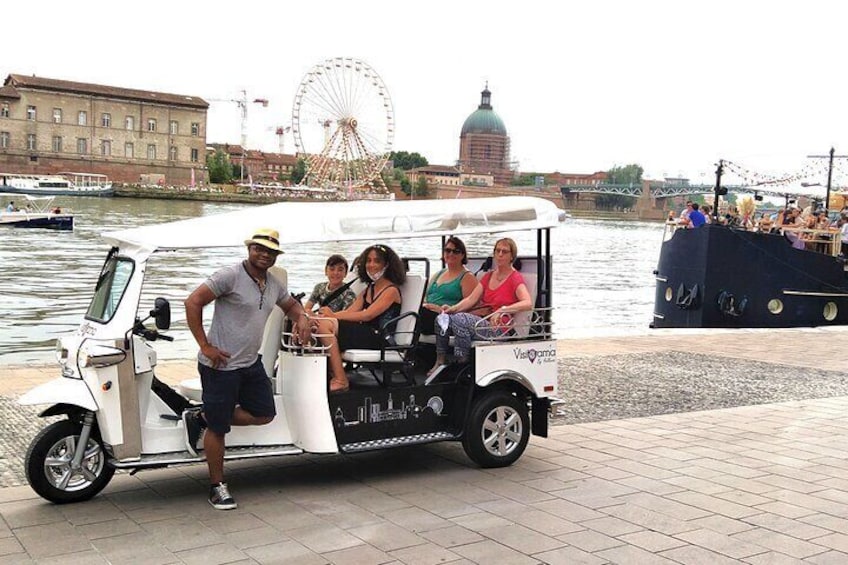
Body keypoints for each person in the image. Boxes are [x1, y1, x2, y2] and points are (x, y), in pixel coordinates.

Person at [183, 228, 311, 510]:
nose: (264, 255)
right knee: (220, 428)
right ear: (250, 249)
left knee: (264, 414)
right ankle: (217, 486)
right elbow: (193, 302)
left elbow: (290, 305)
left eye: (270, 251)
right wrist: (205, 345)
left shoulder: (273, 283)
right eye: (259, 249)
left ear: (276, 256)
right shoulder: (229, 275)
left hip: (250, 362)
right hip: (220, 365)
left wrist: (301, 317)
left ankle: (203, 417)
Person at [310, 244, 406, 393]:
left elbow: (367, 315)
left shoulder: (391, 290)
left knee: (324, 325)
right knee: (317, 324)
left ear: (386, 265)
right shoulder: (369, 289)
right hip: (366, 333)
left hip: (380, 338)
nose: (371, 265)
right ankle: (326, 374)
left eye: (377, 261)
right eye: (368, 260)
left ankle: (341, 380)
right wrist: (324, 315)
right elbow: (350, 312)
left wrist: (333, 316)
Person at [431, 238, 532, 372]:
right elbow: (471, 299)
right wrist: (451, 309)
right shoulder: (489, 276)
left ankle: (461, 361)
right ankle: (440, 361)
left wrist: (503, 309)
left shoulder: (514, 278)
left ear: (511, 256)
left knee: (461, 319)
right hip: (483, 321)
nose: (500, 254)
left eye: (505, 252)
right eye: (498, 251)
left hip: (499, 328)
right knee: (441, 319)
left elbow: (527, 303)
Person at [420, 236, 479, 336]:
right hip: (429, 313)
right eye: (448, 250)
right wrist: (427, 305)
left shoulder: (467, 277)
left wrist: (442, 310)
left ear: (462, 255)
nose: (451, 254)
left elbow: (472, 306)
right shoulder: (438, 274)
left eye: (455, 251)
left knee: (420, 315)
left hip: (448, 318)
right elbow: (425, 296)